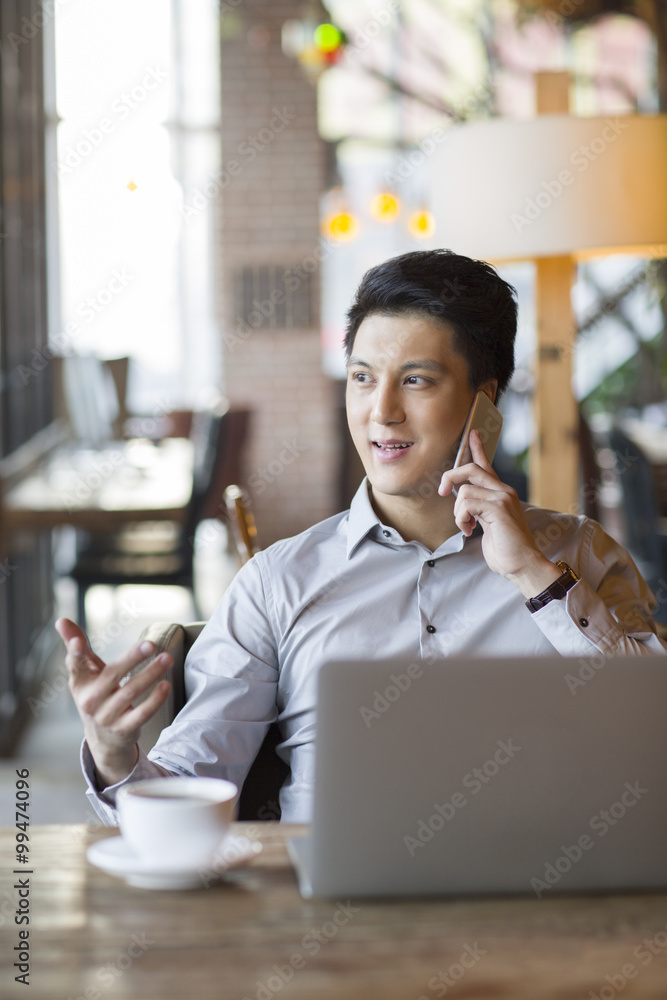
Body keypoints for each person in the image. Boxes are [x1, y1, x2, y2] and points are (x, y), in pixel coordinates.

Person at [57, 249, 666, 825]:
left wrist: (536, 575)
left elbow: (652, 733)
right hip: (328, 923)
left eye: (417, 380)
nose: (382, 411)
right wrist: (114, 755)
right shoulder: (276, 584)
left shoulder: (579, 554)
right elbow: (186, 786)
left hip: (542, 909)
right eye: (363, 377)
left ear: (486, 402)